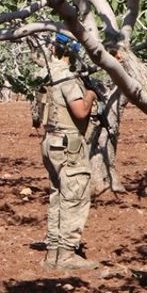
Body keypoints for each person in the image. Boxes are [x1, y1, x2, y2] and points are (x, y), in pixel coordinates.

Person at [40, 33, 100, 271]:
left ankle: (53, 252)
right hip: (69, 145)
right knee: (74, 197)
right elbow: (80, 111)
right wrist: (92, 94)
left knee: (58, 196)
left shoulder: (47, 74)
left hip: (51, 142)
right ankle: (66, 255)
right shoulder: (66, 77)